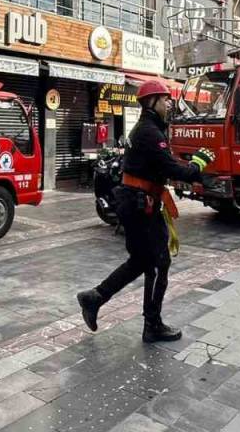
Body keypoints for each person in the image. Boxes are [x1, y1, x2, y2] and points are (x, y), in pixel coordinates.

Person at [76, 80, 215, 342]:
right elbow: (172, 170)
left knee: (145, 262)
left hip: (141, 203)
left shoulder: (150, 129)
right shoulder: (149, 132)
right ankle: (150, 324)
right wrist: (198, 164)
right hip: (140, 206)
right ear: (152, 103)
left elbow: (162, 165)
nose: (169, 103)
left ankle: (96, 298)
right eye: (165, 99)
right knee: (156, 262)